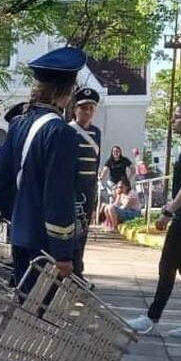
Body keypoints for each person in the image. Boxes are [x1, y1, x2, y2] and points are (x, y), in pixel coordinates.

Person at [0, 46, 85, 361]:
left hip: (21, 239)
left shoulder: (19, 126)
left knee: (27, 316)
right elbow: (58, 199)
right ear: (67, 91)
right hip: (45, 244)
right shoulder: (61, 133)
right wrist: (64, 252)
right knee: (42, 321)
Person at [127, 101, 181, 340]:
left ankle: (152, 317)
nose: (173, 121)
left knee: (167, 266)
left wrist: (168, 211)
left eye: (177, 116)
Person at [69, 88, 102, 277]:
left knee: (83, 231)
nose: (87, 112)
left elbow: (96, 163)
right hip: (73, 189)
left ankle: (78, 267)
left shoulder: (96, 133)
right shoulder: (69, 130)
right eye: (83, 108)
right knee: (72, 231)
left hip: (88, 190)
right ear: (75, 109)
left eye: (91, 108)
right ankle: (73, 267)